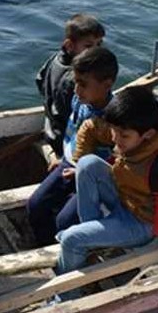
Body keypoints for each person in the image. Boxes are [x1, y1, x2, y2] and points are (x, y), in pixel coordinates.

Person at [56, 86, 158, 297]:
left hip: (142, 223)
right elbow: (91, 127)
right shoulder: (130, 128)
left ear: (148, 135)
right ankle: (92, 244)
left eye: (123, 136)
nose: (115, 139)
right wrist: (78, 160)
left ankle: (66, 296)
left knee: (71, 239)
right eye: (114, 131)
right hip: (125, 197)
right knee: (87, 164)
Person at [27, 46, 118, 246]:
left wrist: (82, 172)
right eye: (76, 82)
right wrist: (62, 156)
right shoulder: (79, 100)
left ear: (107, 84)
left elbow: (120, 160)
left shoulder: (116, 118)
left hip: (94, 178)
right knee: (35, 205)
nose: (76, 90)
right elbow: (71, 132)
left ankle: (71, 250)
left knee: (65, 221)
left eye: (83, 84)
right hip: (68, 163)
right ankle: (46, 245)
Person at [36, 14, 105, 160]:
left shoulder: (54, 59)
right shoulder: (76, 80)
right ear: (69, 46)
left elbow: (39, 80)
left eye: (99, 44)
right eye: (88, 46)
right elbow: (76, 118)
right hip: (63, 140)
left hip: (49, 128)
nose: (96, 51)